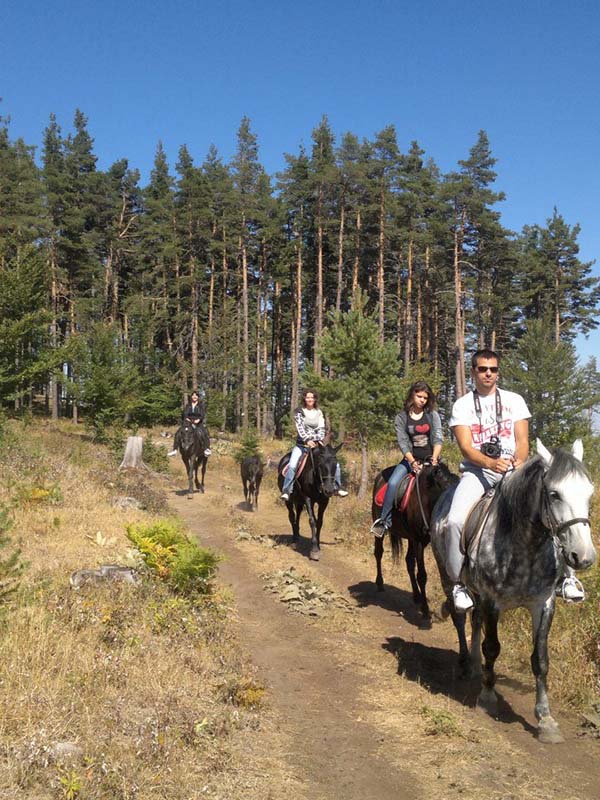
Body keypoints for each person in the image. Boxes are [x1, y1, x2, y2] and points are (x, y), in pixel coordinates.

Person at [446, 348, 584, 613]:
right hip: (477, 472)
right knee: (453, 521)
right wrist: (488, 463)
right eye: (483, 369)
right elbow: (465, 446)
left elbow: (523, 441)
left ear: (498, 372)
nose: (488, 374)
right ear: (473, 371)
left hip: (513, 470)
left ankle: (567, 578)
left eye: (493, 369)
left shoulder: (514, 400)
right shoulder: (462, 405)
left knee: (548, 509)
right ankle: (459, 583)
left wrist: (519, 462)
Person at [371, 381, 443, 538]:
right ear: (412, 395)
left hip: (432, 461)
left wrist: (435, 458)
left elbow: (438, 438)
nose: (422, 400)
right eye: (419, 396)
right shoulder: (401, 417)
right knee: (393, 483)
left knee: (446, 484)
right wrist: (412, 462)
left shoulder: (433, 415)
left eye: (425, 397)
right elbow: (403, 442)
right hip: (410, 460)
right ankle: (384, 521)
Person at [280, 389, 347, 501]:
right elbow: (300, 428)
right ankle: (287, 489)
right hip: (302, 445)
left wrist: (317, 439)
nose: (310, 399)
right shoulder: (299, 412)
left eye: (312, 397)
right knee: (292, 465)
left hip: (317, 444)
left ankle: (338, 486)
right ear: (304, 399)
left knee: (334, 463)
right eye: (307, 397)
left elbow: (321, 428)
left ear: (315, 399)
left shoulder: (319, 412)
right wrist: (307, 440)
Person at [168, 389, 211, 457]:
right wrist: (187, 419)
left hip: (198, 423)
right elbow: (185, 414)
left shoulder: (201, 405)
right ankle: (175, 449)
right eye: (193, 395)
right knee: (178, 432)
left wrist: (198, 420)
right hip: (188, 422)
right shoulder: (188, 405)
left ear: (198, 397)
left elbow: (202, 414)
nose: (194, 396)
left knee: (204, 432)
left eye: (196, 395)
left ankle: (206, 449)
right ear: (191, 397)